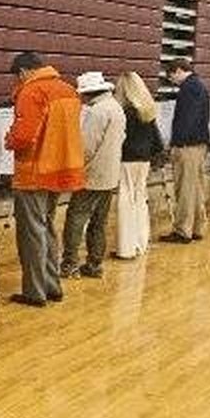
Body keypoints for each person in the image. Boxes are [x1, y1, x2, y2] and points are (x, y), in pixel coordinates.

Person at [5, 52, 85, 306]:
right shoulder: (68, 90)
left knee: (32, 234)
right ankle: (53, 285)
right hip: (62, 170)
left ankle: (34, 292)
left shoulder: (32, 92)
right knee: (48, 228)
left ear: (23, 72)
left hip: (34, 173)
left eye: (16, 78)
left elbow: (24, 136)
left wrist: (9, 138)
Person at [60, 71, 125, 278]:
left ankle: (70, 264)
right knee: (99, 221)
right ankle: (95, 264)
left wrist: (73, 167)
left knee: (75, 218)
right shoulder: (116, 107)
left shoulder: (98, 112)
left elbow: (86, 147)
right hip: (110, 174)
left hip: (91, 176)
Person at [112, 71, 164, 260]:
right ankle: (140, 243)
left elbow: (120, 139)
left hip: (127, 159)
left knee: (125, 200)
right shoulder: (147, 110)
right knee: (140, 200)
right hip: (144, 160)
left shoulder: (123, 112)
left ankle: (125, 248)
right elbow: (157, 140)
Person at [158, 58, 210, 244]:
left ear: (179, 70)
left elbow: (185, 120)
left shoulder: (188, 88)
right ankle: (196, 227)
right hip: (198, 145)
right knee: (195, 187)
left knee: (185, 189)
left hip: (187, 146)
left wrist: (175, 144)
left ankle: (182, 231)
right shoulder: (199, 85)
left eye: (171, 76)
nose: (172, 81)